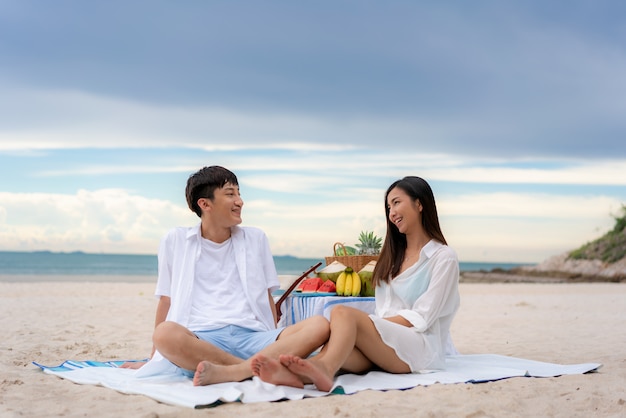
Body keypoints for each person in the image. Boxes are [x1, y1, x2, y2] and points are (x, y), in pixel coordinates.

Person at [122, 165, 329, 387]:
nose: (239, 201)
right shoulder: (176, 240)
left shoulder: (256, 238)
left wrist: (275, 335)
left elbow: (267, 296)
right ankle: (253, 369)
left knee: (319, 325)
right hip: (202, 340)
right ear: (205, 204)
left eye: (239, 194)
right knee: (164, 334)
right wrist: (154, 359)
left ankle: (235, 370)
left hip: (254, 337)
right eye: (230, 194)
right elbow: (166, 299)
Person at [251, 176, 460, 392]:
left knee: (343, 314)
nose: (392, 213)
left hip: (420, 348)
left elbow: (423, 317)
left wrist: (370, 326)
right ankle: (299, 373)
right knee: (341, 349)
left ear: (419, 203)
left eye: (397, 202)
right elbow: (383, 308)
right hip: (388, 344)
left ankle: (323, 368)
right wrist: (370, 330)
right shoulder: (391, 258)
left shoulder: (443, 257)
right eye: (389, 207)